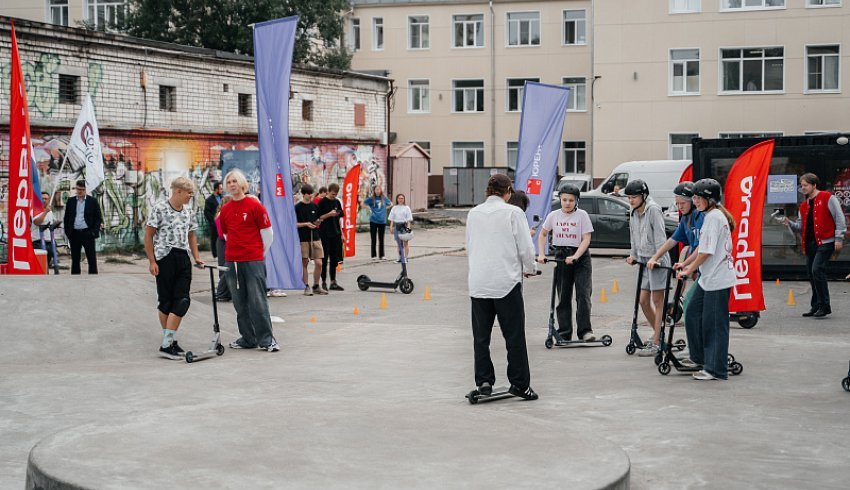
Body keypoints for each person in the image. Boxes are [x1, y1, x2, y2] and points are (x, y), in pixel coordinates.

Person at [467, 174, 539, 400]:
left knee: (481, 338)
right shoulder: (514, 213)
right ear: (508, 191)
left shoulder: (473, 213)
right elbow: (525, 248)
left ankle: (484, 381)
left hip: (479, 283)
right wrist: (531, 267)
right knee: (514, 336)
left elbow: (470, 246)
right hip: (506, 282)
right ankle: (520, 384)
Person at [678, 179, 737, 380]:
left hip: (717, 279)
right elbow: (700, 249)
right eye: (693, 197)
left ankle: (715, 369)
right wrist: (685, 264)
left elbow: (707, 253)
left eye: (697, 197)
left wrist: (689, 271)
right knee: (693, 311)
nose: (694, 201)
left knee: (714, 324)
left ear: (709, 199)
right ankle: (699, 357)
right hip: (708, 279)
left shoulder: (713, 218)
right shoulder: (710, 216)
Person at [144, 177, 205, 360]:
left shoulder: (188, 212)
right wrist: (152, 261)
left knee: (182, 301)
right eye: (188, 193)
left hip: (183, 258)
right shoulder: (160, 208)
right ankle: (169, 342)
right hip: (164, 258)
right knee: (166, 302)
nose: (190, 196)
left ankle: (167, 342)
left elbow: (191, 235)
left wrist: (197, 257)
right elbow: (148, 236)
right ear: (178, 191)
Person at [219, 169, 278, 352]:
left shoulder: (255, 206)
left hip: (253, 261)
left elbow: (268, 235)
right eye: (229, 182)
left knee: (257, 301)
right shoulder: (225, 209)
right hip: (232, 262)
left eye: (235, 181)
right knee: (239, 302)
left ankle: (267, 340)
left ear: (243, 184)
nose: (232, 185)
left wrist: (257, 253)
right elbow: (227, 234)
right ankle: (248, 338)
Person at [647, 181, 703, 362]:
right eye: (677, 204)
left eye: (682, 204)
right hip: (698, 268)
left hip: (706, 268)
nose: (679, 207)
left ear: (693, 201)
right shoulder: (685, 219)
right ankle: (694, 347)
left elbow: (702, 247)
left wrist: (686, 264)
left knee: (690, 305)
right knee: (690, 305)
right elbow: (672, 241)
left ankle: (696, 349)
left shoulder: (700, 217)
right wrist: (655, 256)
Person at [536, 183, 595, 342]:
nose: (567, 203)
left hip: (580, 258)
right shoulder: (553, 215)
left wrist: (576, 256)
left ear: (576, 201)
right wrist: (541, 254)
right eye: (564, 200)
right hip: (561, 255)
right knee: (563, 297)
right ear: (560, 199)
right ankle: (564, 331)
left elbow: (586, 238)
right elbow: (542, 235)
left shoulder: (582, 215)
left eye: (571, 200)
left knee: (583, 295)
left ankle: (585, 331)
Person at [783, 173, 846, 318]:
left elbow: (839, 218)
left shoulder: (827, 197)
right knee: (811, 274)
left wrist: (838, 238)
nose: (802, 188)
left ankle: (825, 305)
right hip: (811, 244)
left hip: (826, 242)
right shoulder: (804, 205)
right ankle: (816, 305)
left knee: (817, 270)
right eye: (801, 185)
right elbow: (800, 226)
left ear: (814, 185)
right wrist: (789, 223)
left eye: (805, 185)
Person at [624, 179, 670, 356]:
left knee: (658, 302)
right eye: (629, 197)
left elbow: (660, 236)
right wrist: (633, 255)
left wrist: (657, 257)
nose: (631, 200)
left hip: (657, 261)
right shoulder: (634, 211)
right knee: (643, 301)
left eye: (634, 197)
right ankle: (658, 335)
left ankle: (657, 342)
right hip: (644, 260)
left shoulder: (653, 210)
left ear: (643, 195)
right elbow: (633, 234)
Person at [63, 179, 103, 275]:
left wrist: (94, 232)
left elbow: (98, 218)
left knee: (91, 258)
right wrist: (68, 232)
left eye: (82, 189)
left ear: (86, 190)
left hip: (88, 233)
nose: (79, 191)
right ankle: (75, 279)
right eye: (78, 189)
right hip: (75, 234)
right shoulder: (71, 201)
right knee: (75, 259)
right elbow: (67, 218)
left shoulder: (92, 201)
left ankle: (93, 277)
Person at [295, 184, 327, 295]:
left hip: (315, 237)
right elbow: (294, 224)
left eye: (311, 193)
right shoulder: (297, 207)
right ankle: (306, 286)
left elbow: (317, 219)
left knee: (319, 263)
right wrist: (306, 224)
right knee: (305, 262)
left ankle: (316, 285)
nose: (310, 196)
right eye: (309, 194)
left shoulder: (315, 206)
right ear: (303, 194)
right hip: (303, 238)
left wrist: (318, 222)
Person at [317, 183, 345, 291]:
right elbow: (319, 217)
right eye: (333, 194)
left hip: (336, 233)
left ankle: (333, 281)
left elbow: (339, 216)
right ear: (328, 191)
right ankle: (323, 281)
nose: (334, 196)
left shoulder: (337, 202)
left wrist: (342, 233)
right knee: (324, 258)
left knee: (335, 259)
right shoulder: (322, 202)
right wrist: (329, 214)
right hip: (325, 233)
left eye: (336, 194)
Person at [363, 186, 392, 261]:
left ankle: (382, 255)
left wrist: (385, 208)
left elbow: (391, 204)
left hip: (382, 221)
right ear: (374, 191)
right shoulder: (371, 199)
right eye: (376, 190)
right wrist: (369, 209)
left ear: (381, 190)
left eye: (379, 190)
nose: (378, 191)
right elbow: (363, 204)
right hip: (373, 221)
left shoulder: (384, 198)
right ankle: (373, 255)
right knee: (373, 239)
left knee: (381, 239)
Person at [213, 195, 232, 302]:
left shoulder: (221, 214)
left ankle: (224, 292)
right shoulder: (221, 215)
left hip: (223, 242)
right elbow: (222, 233)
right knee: (226, 267)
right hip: (223, 242)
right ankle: (221, 292)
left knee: (225, 267)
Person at [32, 191, 56, 270]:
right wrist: (45, 212)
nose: (44, 200)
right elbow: (37, 222)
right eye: (42, 199)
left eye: (46, 199)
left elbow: (53, 222)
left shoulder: (50, 212)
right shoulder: (34, 211)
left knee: (47, 263)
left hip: (49, 241)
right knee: (40, 264)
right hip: (38, 242)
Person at [388, 193, 413, 262]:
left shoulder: (407, 208)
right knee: (399, 244)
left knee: (405, 243)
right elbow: (392, 219)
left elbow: (409, 220)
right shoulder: (394, 208)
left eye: (402, 198)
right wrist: (391, 227)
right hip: (397, 226)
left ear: (404, 199)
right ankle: (399, 257)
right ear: (397, 199)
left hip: (404, 226)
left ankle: (405, 258)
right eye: (399, 198)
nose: (400, 200)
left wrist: (408, 228)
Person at [204, 181, 223, 259]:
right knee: (214, 238)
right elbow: (206, 212)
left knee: (222, 238)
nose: (222, 190)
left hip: (222, 222)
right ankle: (215, 255)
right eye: (220, 189)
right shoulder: (209, 200)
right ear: (216, 189)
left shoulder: (222, 198)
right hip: (214, 223)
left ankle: (222, 253)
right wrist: (213, 221)